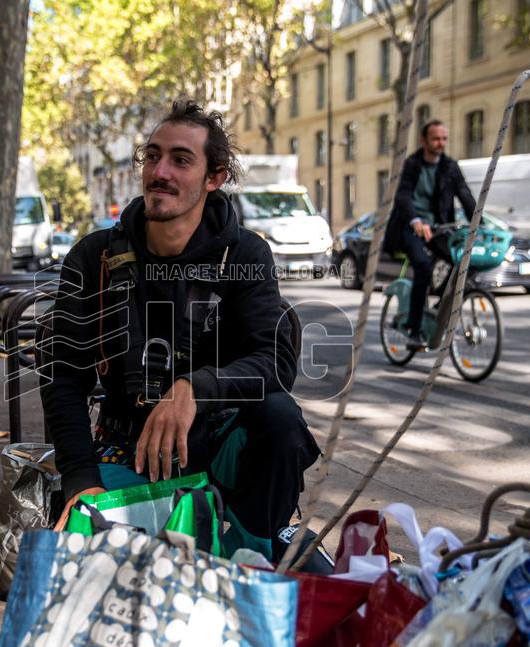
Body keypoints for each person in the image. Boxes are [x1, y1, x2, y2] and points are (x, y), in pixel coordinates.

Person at [38, 100, 321, 559]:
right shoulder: (94, 258)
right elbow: (62, 377)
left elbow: (275, 361)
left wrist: (195, 389)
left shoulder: (246, 256)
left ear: (215, 177)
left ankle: (255, 554)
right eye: (152, 156)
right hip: (128, 449)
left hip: (220, 447)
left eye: (180, 159)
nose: (160, 171)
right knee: (99, 569)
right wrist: (80, 479)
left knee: (280, 417)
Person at [386, 120, 476, 349]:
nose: (441, 143)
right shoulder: (411, 165)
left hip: (438, 229)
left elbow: (465, 194)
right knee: (423, 266)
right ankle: (414, 330)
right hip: (409, 227)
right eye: (436, 138)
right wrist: (415, 220)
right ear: (424, 140)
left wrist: (479, 221)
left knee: (463, 263)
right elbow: (402, 196)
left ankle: (437, 310)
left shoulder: (450, 166)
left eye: (444, 139)